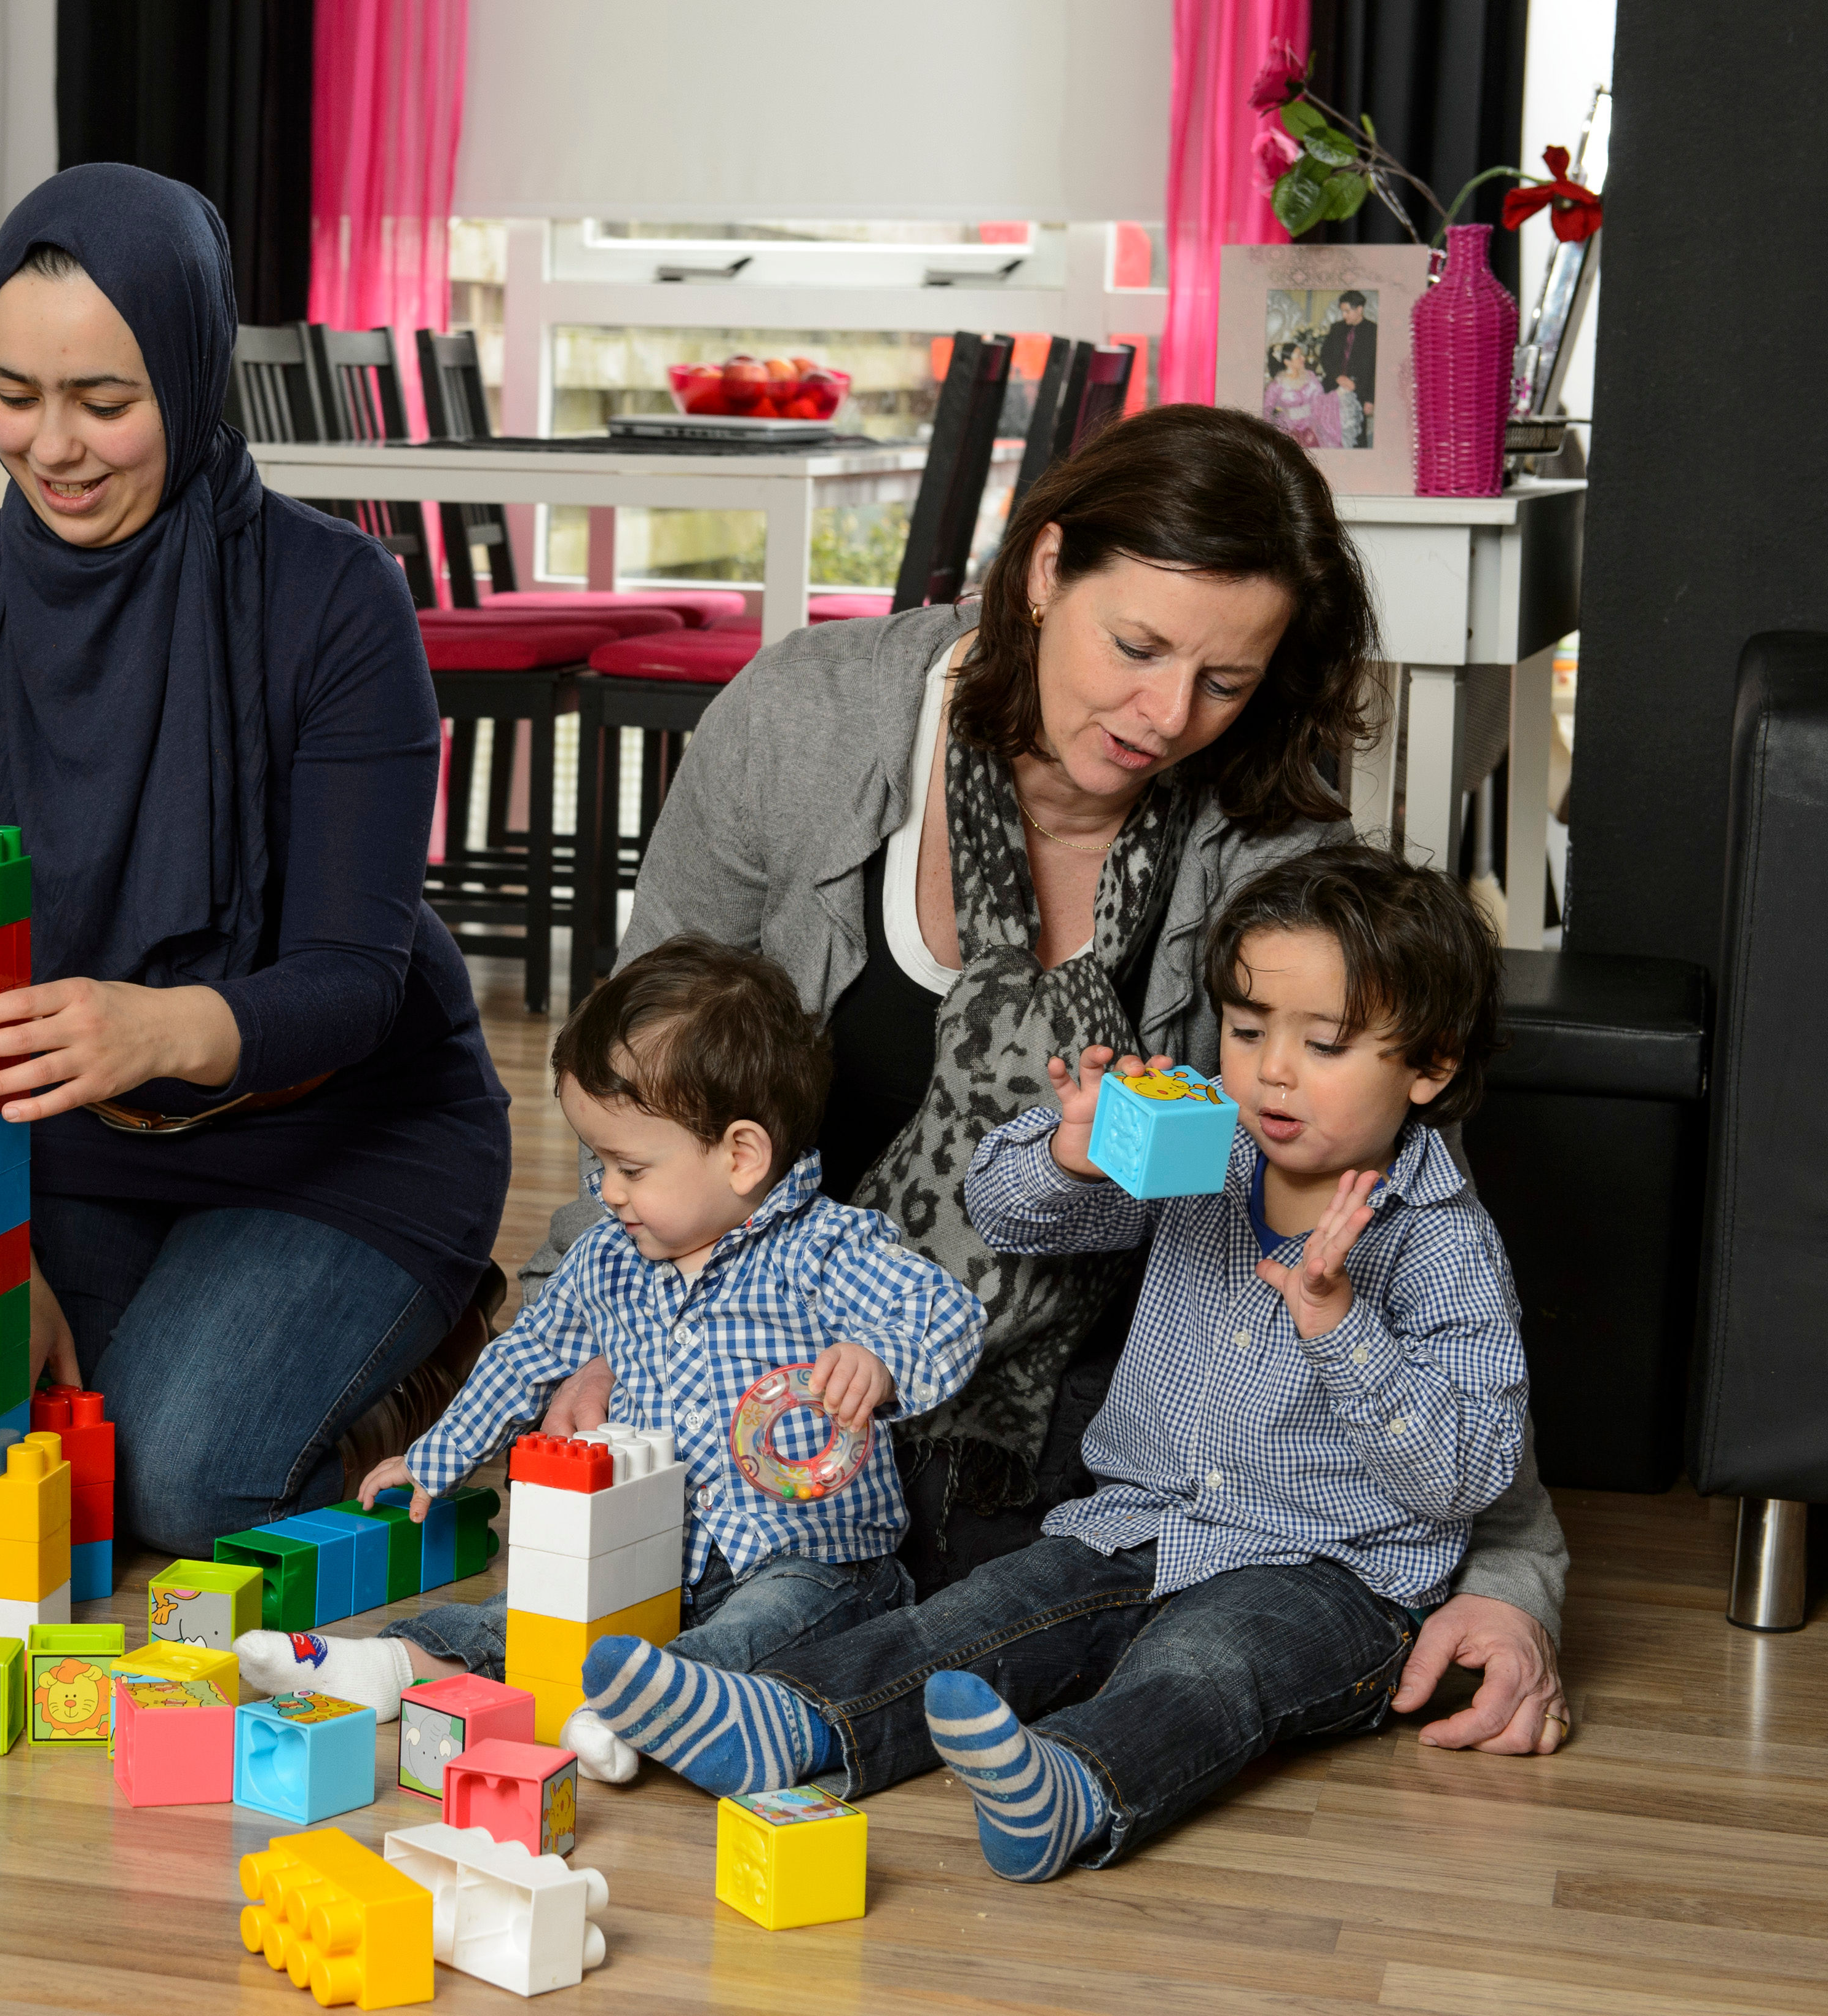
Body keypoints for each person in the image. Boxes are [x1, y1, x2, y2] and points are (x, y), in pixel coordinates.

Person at [527, 404, 1574, 1755]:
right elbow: (633, 1079)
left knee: (979, 1612)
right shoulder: (806, 720)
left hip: (1074, 1422)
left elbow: (1401, 1199)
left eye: (1226, 681)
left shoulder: (1272, 852)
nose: (1166, 716)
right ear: (1042, 569)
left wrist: (1509, 1576)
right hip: (771, 1350)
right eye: (1135, 647)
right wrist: (585, 1334)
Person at [577, 847, 1523, 1877]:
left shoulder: (1443, 1243)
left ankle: (1074, 1788)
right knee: (975, 1617)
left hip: (1330, 1575)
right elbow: (1011, 1216)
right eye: (1248, 1031)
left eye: (1325, 1044)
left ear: (1428, 1067)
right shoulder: (1207, 1148)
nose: (1273, 1071)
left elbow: (1464, 1472)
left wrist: (1339, 1327)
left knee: (1205, 1665)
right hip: (1136, 1524)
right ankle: (786, 1722)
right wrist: (1072, 1155)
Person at [0, 162, 510, 1558]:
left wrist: (156, 1027)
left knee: (184, 1487)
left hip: (339, 1139)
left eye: (105, 401)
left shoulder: (336, 600)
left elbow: (355, 979)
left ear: (191, 369)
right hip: (75, 1148)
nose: (52, 447)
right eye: (13, 394)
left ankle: (434, 1371)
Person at [231, 935, 983, 1766]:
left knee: (763, 1627)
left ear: (741, 1156)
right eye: (599, 1164)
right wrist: (436, 1456)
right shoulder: (610, 1257)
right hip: (653, 1546)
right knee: (542, 1612)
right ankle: (396, 1664)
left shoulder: (828, 1249)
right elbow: (526, 1358)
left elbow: (946, 1316)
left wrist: (879, 1361)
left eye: (629, 1167)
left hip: (815, 1558)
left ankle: (643, 1713)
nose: (608, 1192)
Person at [1318, 291, 1377, 447]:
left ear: (1360, 309)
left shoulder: (1374, 331)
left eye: (1347, 311)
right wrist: (1338, 377)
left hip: (1360, 392)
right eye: (1342, 311)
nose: (1344, 315)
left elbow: (1376, 369)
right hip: (1333, 389)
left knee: (1357, 438)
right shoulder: (1337, 328)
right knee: (1331, 434)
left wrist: (1370, 399)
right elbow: (1325, 356)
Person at [1262, 339, 1337, 450]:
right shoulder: (1277, 385)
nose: (1303, 358)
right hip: (1287, 429)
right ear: (1287, 362)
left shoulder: (1310, 377)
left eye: (1301, 355)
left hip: (1311, 427)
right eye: (1298, 356)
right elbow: (1266, 411)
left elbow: (1320, 400)